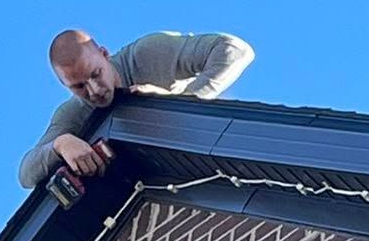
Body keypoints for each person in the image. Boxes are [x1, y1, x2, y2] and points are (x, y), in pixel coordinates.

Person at [17, 29, 255, 190]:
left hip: (218, 163)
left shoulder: (147, 55)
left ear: (104, 55)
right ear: (65, 86)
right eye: (79, 87)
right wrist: (61, 144)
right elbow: (26, 174)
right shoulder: (73, 114)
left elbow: (235, 50)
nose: (94, 90)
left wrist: (181, 101)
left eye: (96, 74)